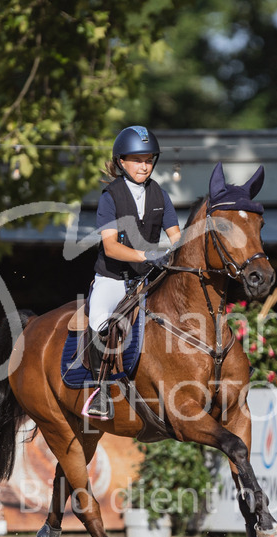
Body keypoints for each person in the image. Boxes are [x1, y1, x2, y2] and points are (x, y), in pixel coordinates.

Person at [84, 125, 181, 420]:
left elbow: (177, 238)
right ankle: (101, 391)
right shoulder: (109, 197)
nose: (144, 166)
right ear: (121, 162)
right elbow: (111, 247)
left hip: (145, 280)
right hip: (113, 280)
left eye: (149, 159)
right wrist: (149, 254)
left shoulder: (161, 196)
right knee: (101, 321)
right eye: (137, 160)